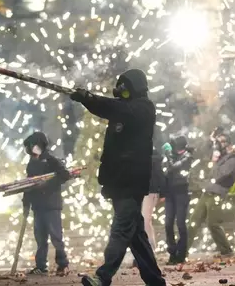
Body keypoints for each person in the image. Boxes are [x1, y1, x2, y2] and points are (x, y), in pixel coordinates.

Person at [69, 68, 166, 286]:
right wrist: (88, 100)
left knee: (121, 229)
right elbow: (111, 108)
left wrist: (88, 99)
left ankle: (103, 278)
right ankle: (156, 282)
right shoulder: (122, 110)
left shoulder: (143, 108)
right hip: (119, 182)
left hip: (132, 183)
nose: (120, 90)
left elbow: (111, 107)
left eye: (124, 86)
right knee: (136, 236)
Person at [21, 131, 71, 276]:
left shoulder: (52, 161)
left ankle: (63, 264)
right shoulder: (32, 164)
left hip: (51, 206)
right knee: (40, 238)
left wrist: (47, 184)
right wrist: (26, 203)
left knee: (56, 237)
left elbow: (64, 175)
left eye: (31, 145)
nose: (30, 149)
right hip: (38, 207)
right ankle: (41, 266)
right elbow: (28, 185)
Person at [187, 128, 235, 257]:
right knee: (193, 221)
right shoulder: (219, 157)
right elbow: (202, 153)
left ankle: (226, 251)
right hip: (208, 192)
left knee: (213, 224)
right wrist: (210, 141)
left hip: (217, 194)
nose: (219, 145)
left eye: (222, 142)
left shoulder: (233, 160)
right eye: (218, 142)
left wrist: (214, 162)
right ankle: (182, 250)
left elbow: (220, 176)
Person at [163, 136, 193, 264]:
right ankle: (172, 250)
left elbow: (173, 167)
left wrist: (169, 155)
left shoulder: (188, 156)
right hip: (170, 193)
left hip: (182, 193)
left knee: (180, 223)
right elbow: (165, 170)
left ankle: (181, 254)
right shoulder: (172, 155)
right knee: (168, 223)